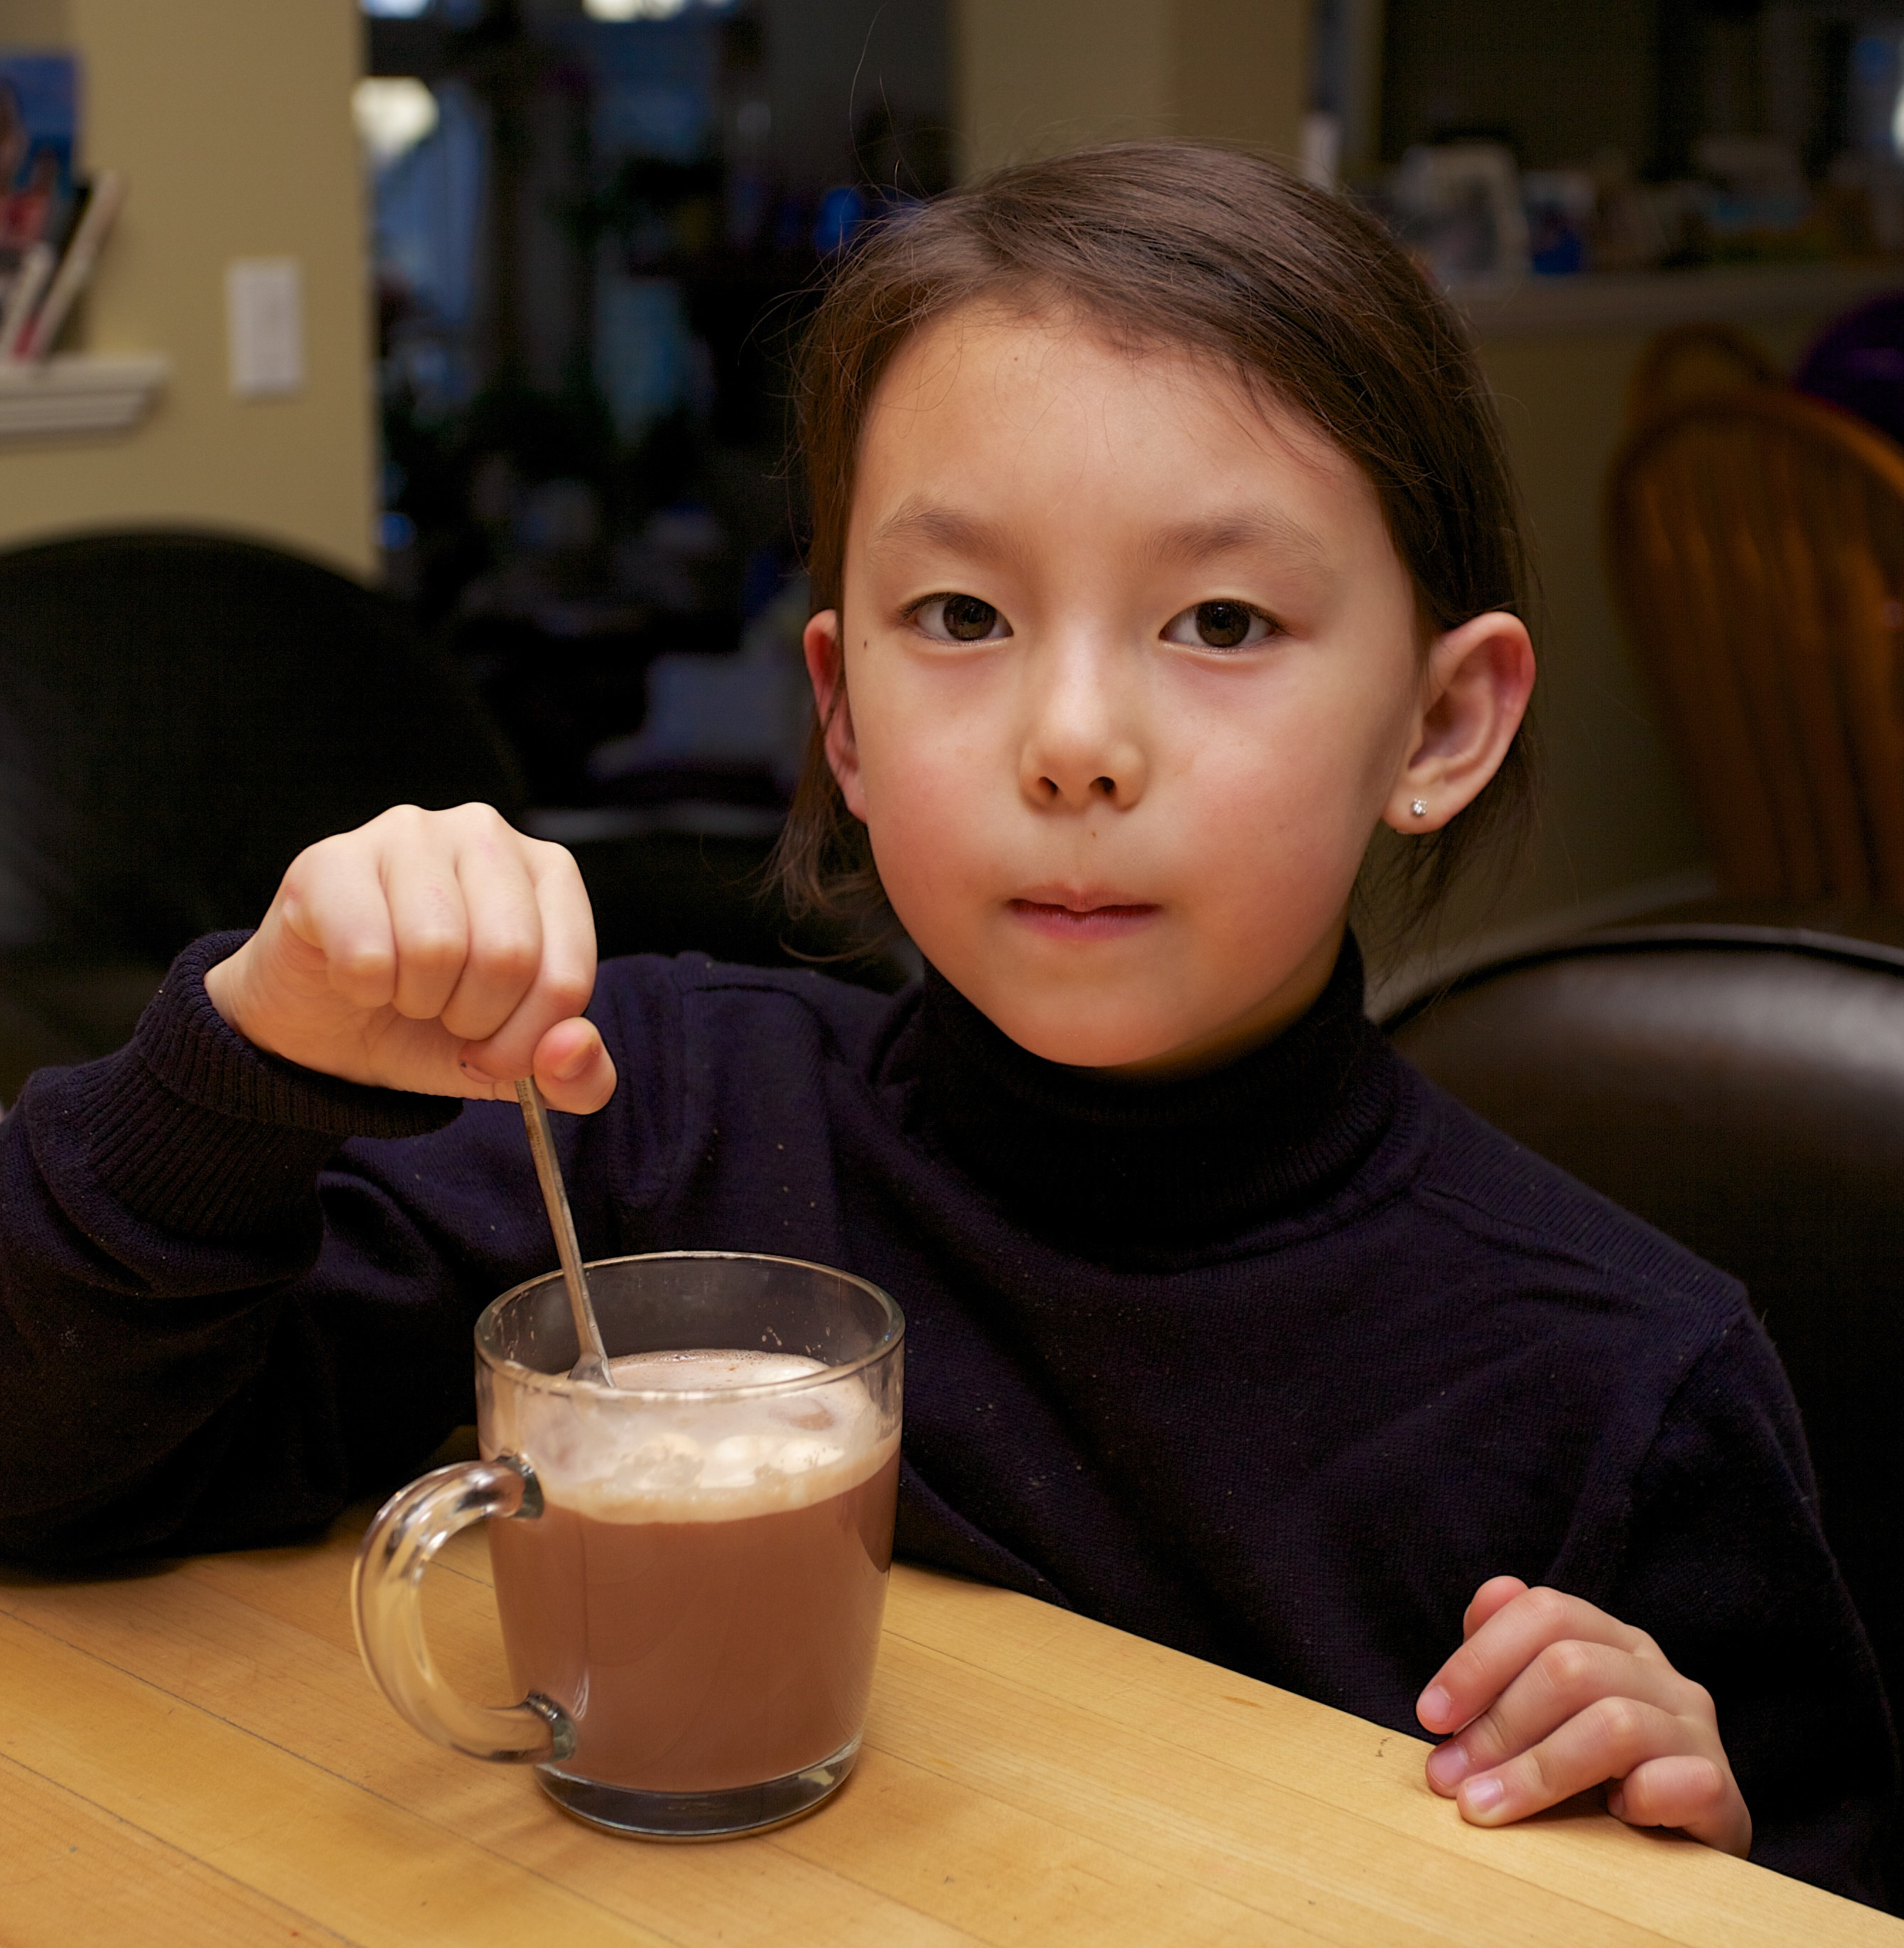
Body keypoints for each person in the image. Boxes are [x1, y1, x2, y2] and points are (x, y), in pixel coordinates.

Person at [0, 144, 1893, 1907]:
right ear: (840, 713)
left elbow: (1820, 1882)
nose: (1071, 742)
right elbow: (56, 1465)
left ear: (1440, 725)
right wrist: (243, 1062)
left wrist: (1689, 1821)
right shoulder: (641, 1137)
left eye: (1222, 622)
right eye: (964, 614)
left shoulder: (1612, 1381)